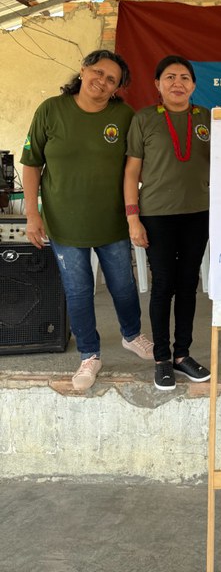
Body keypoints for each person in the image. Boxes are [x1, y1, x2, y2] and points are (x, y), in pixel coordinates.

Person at [21, 50, 154, 391]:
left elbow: (135, 166)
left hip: (111, 222)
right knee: (78, 291)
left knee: (123, 285)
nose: (102, 81)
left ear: (117, 88)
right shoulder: (51, 110)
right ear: (82, 70)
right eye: (97, 72)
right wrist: (33, 215)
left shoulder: (124, 115)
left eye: (112, 79)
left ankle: (132, 335)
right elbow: (32, 163)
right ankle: (89, 354)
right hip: (64, 222)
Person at [124, 56, 210, 391]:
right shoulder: (145, 119)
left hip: (197, 214)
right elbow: (131, 172)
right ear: (158, 84)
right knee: (163, 286)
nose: (178, 83)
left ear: (193, 85)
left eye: (185, 77)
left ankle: (182, 355)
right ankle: (161, 358)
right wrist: (133, 218)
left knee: (188, 285)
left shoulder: (206, 118)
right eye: (170, 77)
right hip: (156, 215)